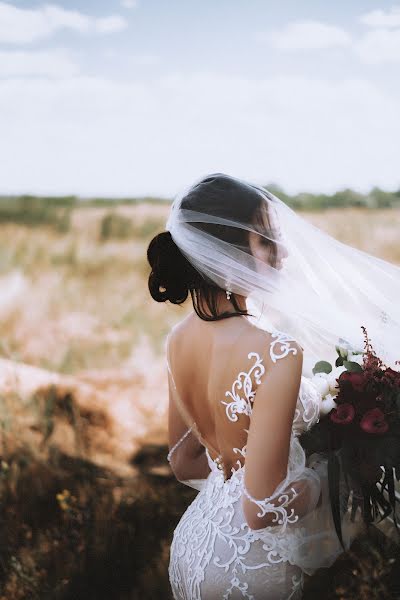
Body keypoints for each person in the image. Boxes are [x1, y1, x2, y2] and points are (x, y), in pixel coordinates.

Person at [146, 173, 399, 599]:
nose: (282, 255)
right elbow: (261, 510)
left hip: (193, 543)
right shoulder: (276, 351)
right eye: (266, 242)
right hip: (248, 566)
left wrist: (244, 468)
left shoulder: (178, 338)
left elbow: (183, 461)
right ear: (224, 253)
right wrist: (332, 473)